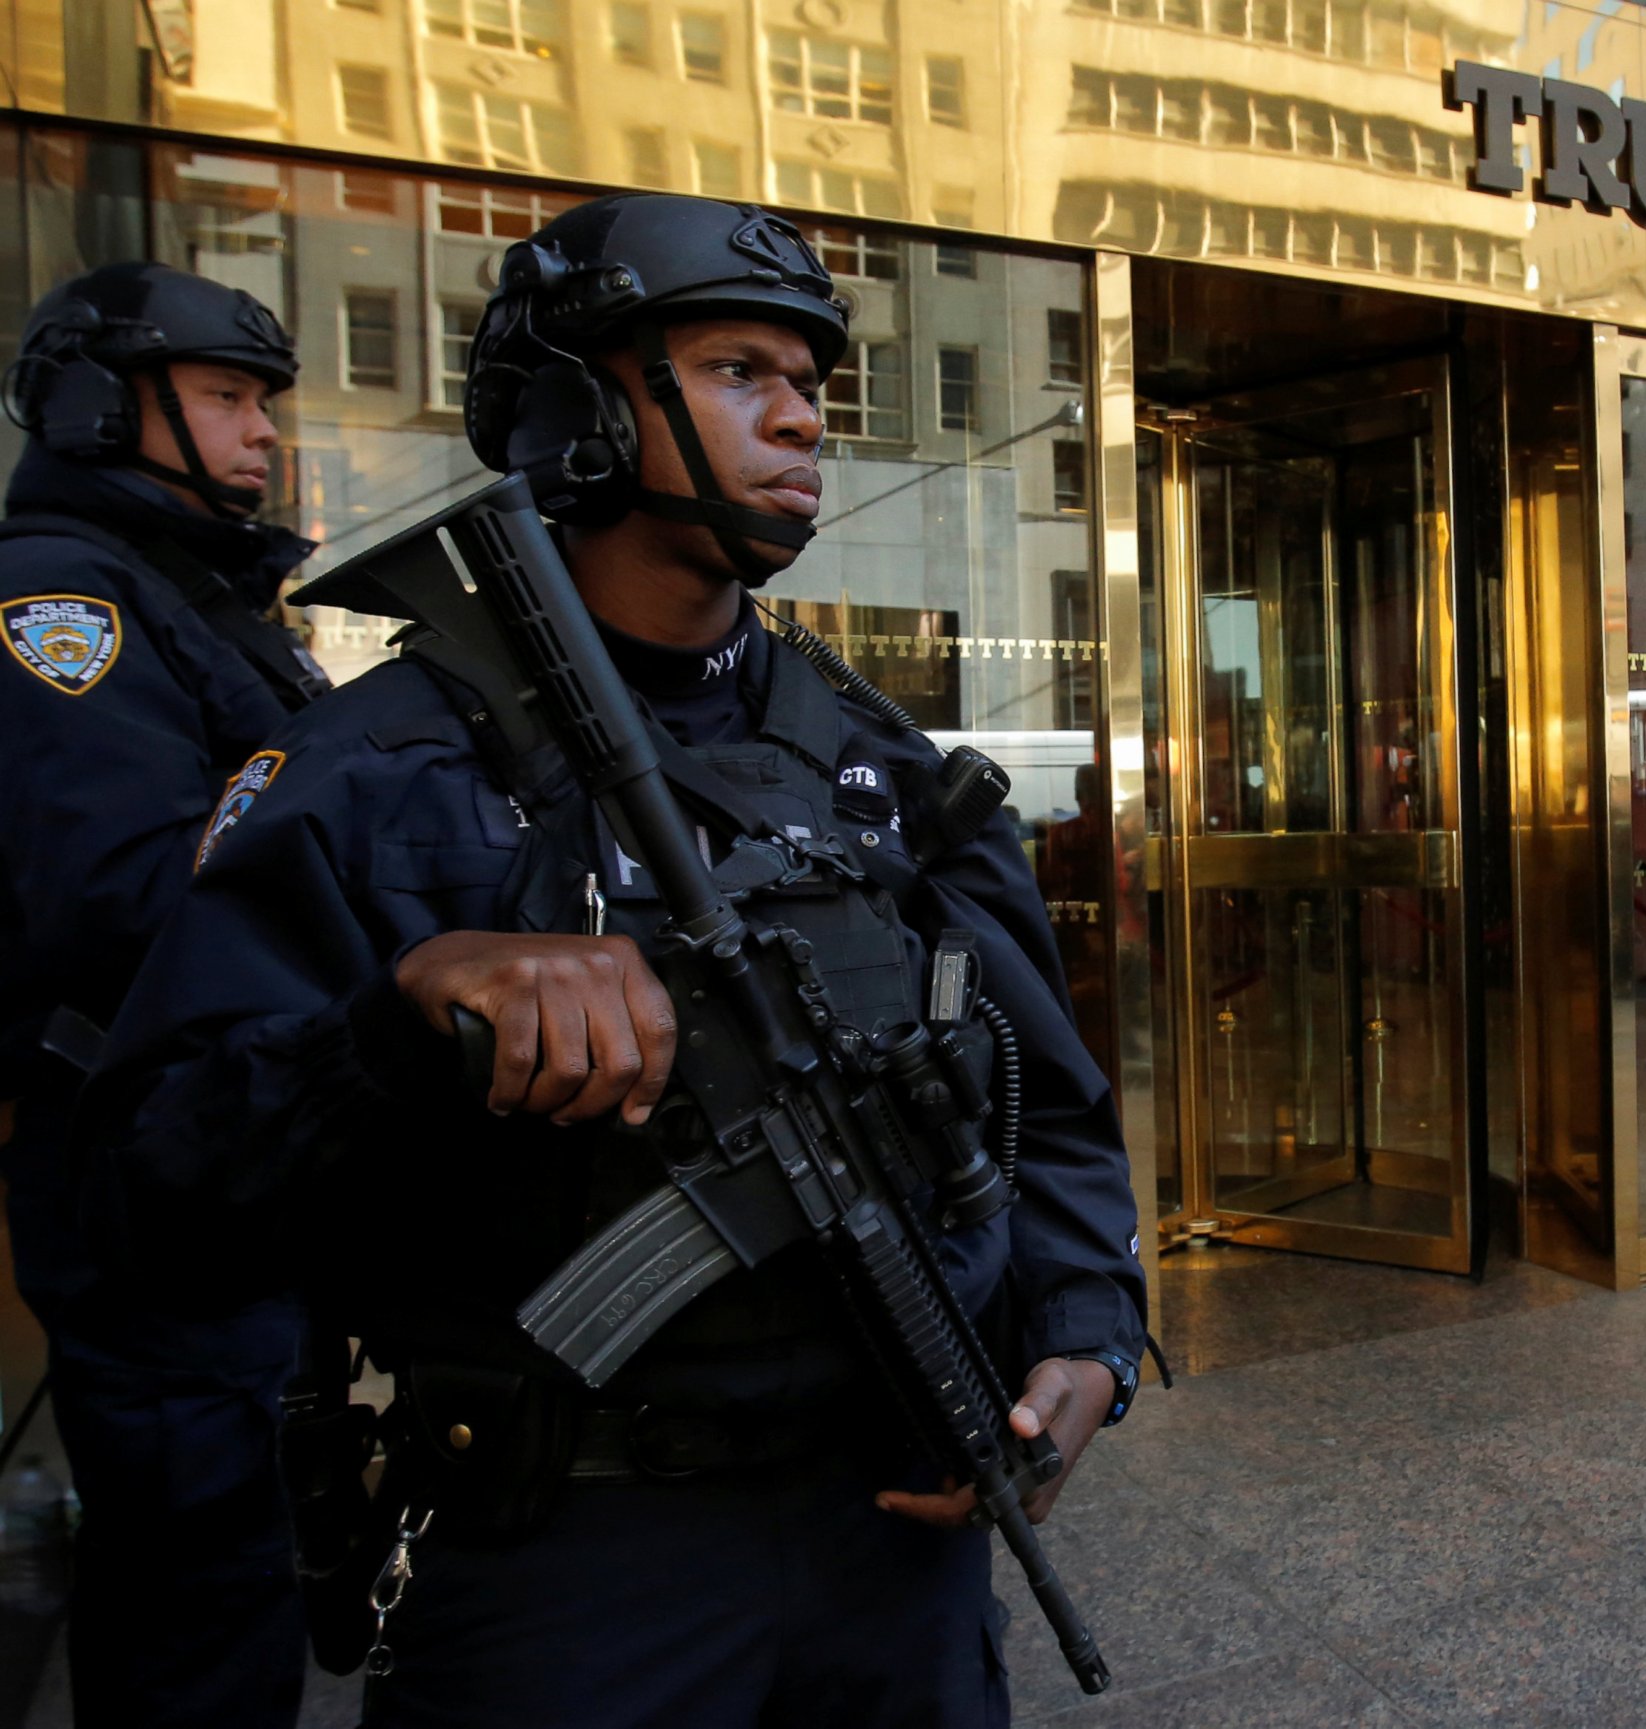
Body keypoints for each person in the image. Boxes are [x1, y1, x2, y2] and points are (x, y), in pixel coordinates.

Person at [80, 194, 1146, 1726]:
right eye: (735, 370)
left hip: (898, 1524)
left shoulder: (874, 758)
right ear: (582, 408)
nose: (800, 419)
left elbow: (1039, 1090)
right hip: (572, 1558)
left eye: (811, 383)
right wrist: (405, 1017)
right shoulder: (375, 770)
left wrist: (1085, 1337)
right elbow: (149, 1184)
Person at [0, 262, 326, 1726]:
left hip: (240, 1148)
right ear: (95, 406)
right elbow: (129, 895)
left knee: (245, 1549)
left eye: (262, 401)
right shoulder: (60, 602)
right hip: (152, 1166)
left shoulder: (202, 599)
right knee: (197, 1577)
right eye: (224, 398)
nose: (261, 434)